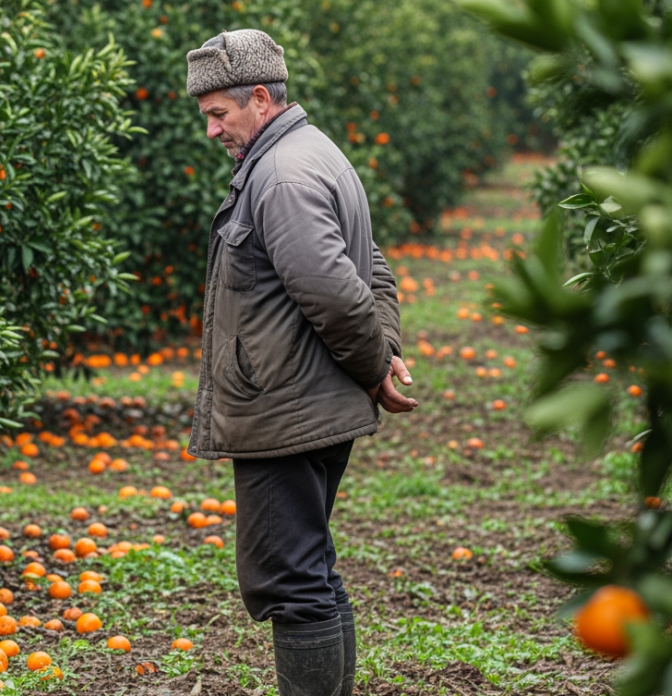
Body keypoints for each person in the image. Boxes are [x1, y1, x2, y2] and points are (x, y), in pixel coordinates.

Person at [183, 29, 418, 696]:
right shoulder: (315, 155)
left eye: (218, 114)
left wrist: (376, 365)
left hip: (287, 405)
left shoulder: (283, 174)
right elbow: (371, 269)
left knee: (290, 581)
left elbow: (336, 291)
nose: (211, 130)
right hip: (307, 399)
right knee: (311, 570)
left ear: (259, 97)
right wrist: (385, 353)